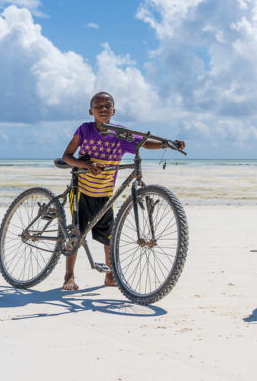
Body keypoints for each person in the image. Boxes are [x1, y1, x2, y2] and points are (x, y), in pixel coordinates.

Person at [60, 91, 185, 290]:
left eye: (107, 106)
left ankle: (110, 276)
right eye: (98, 105)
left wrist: (166, 144)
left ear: (113, 111)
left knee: (109, 236)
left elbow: (143, 143)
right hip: (82, 189)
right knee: (76, 234)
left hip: (104, 193)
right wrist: (85, 165)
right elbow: (67, 156)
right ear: (90, 111)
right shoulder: (85, 130)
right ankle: (69, 276)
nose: (103, 109)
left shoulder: (120, 134)